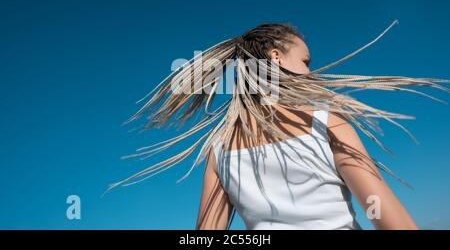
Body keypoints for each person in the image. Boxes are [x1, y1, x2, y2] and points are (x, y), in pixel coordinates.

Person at [106, 21, 449, 230]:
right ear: (274, 58)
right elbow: (390, 220)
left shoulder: (218, 148)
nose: (311, 72)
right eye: (305, 61)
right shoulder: (325, 120)